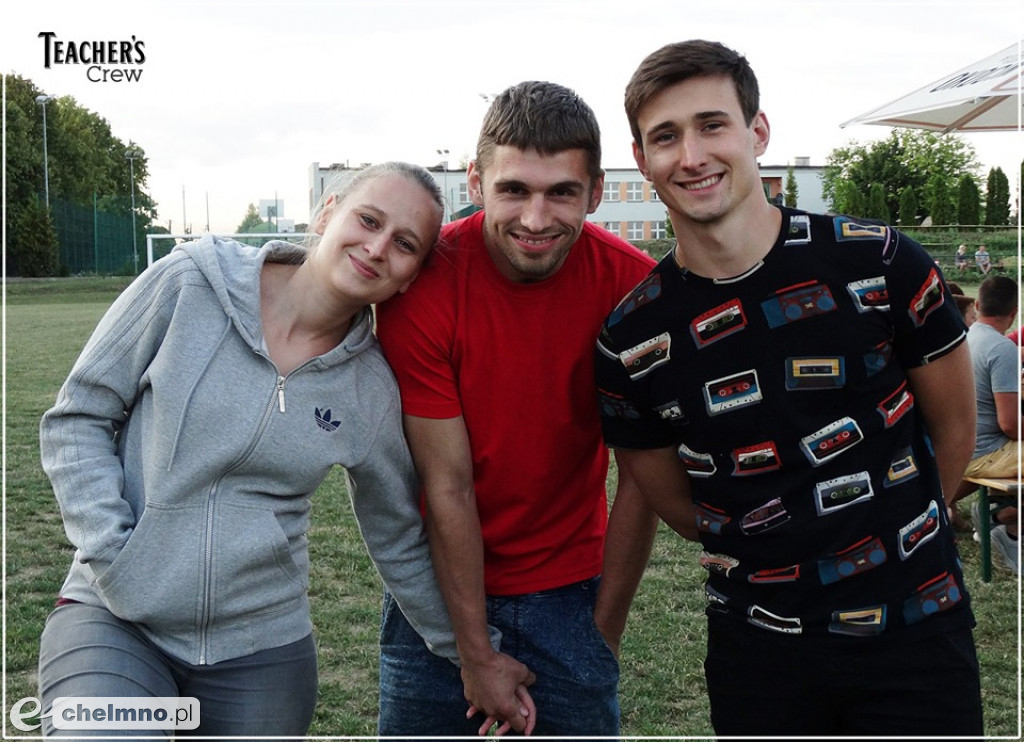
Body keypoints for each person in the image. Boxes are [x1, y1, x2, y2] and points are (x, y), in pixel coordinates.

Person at [594, 40, 983, 737]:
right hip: (759, 654)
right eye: (665, 137)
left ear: (758, 132)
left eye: (712, 124)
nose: (692, 154)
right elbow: (680, 507)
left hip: (915, 631)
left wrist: (895, 530)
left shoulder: (881, 261)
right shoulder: (632, 337)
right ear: (642, 158)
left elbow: (954, 431)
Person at [37, 162, 460, 738]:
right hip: (115, 617)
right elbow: (78, 416)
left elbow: (397, 535)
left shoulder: (372, 390)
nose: (378, 246)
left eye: (405, 244)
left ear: (411, 276)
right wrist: (112, 553)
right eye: (368, 219)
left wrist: (469, 652)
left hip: (262, 648)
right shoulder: (190, 283)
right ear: (328, 213)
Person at [374, 80, 659, 738]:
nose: (535, 219)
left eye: (561, 192)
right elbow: (448, 485)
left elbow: (641, 479)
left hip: (572, 590)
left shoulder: (634, 289)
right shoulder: (423, 287)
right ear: (476, 182)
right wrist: (474, 654)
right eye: (514, 190)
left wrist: (604, 634)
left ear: (595, 191)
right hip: (434, 594)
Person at [953, 275, 1020, 573]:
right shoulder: (1002, 348)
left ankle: (1000, 513)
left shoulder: (965, 336)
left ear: (978, 305)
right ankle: (1009, 531)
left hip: (962, 446)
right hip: (985, 453)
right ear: (1014, 312)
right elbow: (1010, 425)